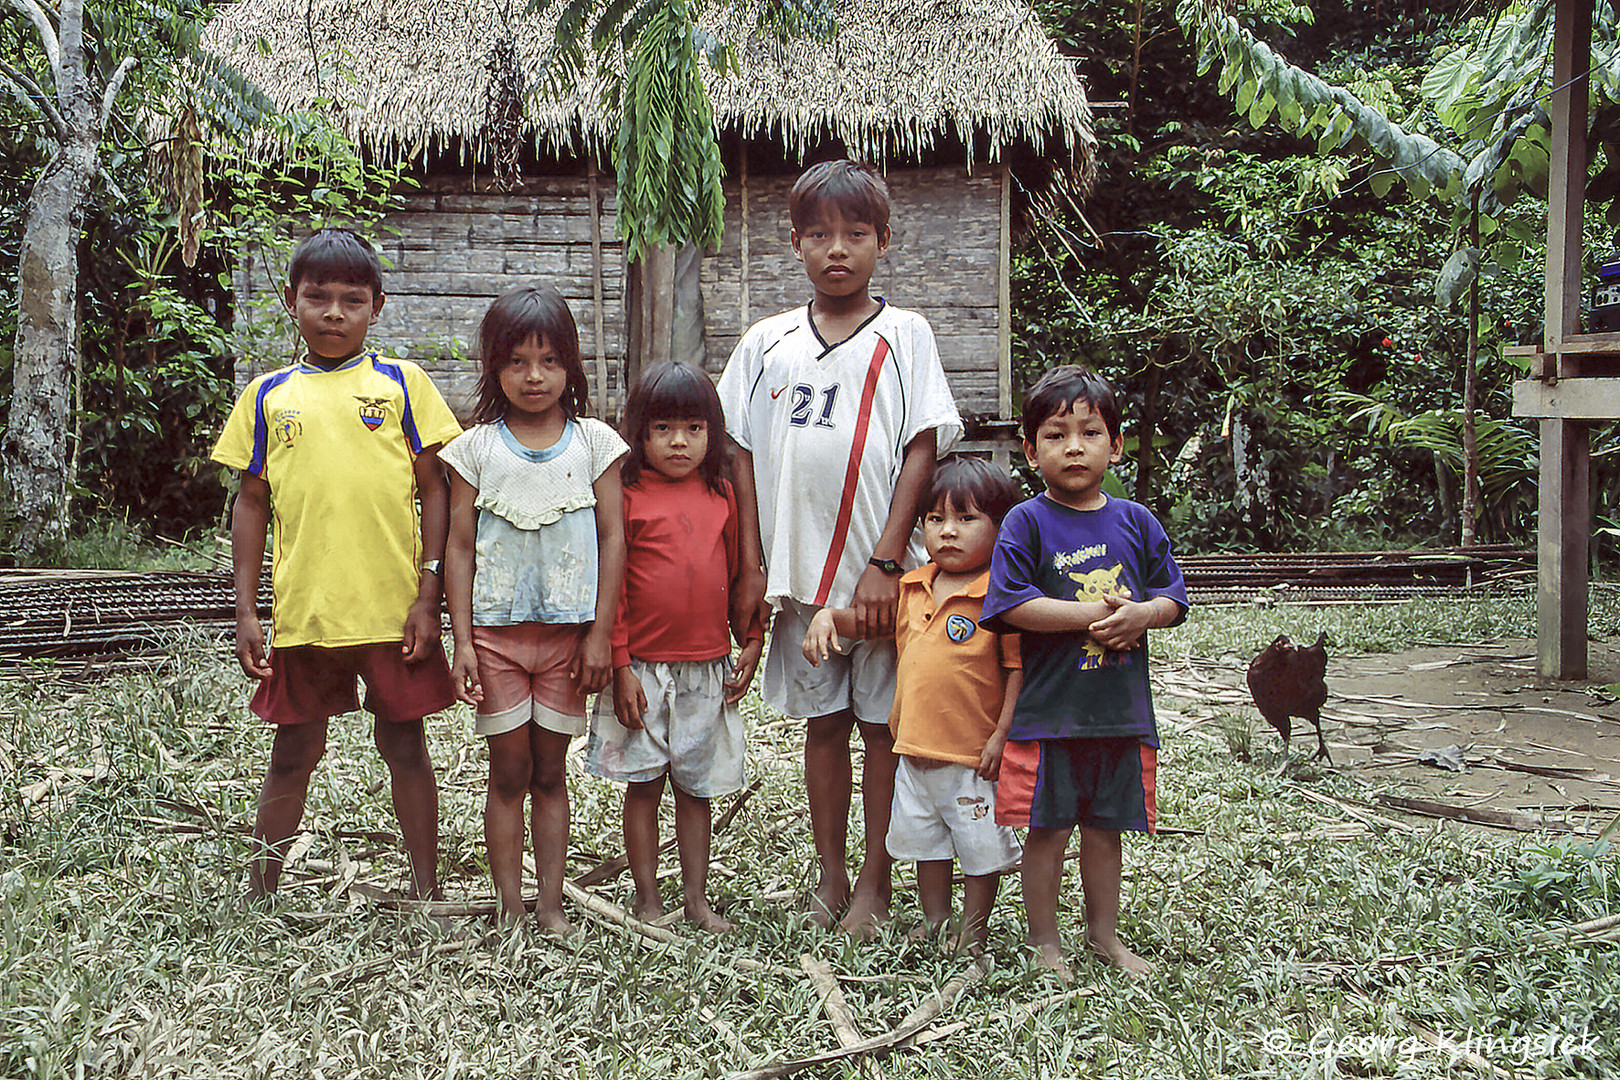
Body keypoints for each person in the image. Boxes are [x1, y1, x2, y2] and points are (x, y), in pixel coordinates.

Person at [717, 159, 963, 932]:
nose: (837, 250)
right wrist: (754, 564)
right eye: (818, 234)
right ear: (794, 244)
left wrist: (889, 561)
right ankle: (829, 875)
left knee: (884, 729)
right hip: (796, 580)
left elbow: (921, 446)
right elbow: (741, 456)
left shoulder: (906, 335)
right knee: (823, 727)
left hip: (881, 578)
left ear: (884, 241)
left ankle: (874, 882)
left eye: (856, 234)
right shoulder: (766, 343)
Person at [214, 227, 462, 901]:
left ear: (377, 307)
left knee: (405, 746)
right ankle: (262, 889)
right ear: (290, 300)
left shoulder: (402, 386)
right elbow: (252, 502)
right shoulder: (267, 397)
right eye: (317, 297)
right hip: (306, 614)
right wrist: (246, 610)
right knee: (292, 753)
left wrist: (428, 592)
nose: (333, 313)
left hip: (392, 611)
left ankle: (425, 887)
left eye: (351, 299)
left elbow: (436, 486)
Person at [980, 364, 1189, 980]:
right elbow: (1008, 603)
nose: (1074, 446)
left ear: (1115, 444)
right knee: (1045, 832)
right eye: (1055, 434)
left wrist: (1141, 615)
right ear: (1029, 449)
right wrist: (1093, 613)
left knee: (1105, 833)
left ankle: (1105, 938)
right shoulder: (1026, 522)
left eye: (1090, 432)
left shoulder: (1136, 521)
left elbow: (1173, 599)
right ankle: (1045, 941)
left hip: (1119, 713)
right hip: (1050, 714)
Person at [441, 285, 627, 934]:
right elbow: (459, 547)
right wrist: (460, 641)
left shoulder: (596, 444)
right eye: (517, 361)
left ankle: (550, 905)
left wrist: (601, 635)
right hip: (494, 640)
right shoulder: (475, 450)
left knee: (551, 772)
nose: (534, 376)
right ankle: (510, 905)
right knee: (508, 770)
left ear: (570, 366)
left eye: (549, 361)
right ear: (494, 367)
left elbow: (614, 539)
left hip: (568, 644)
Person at [802, 457, 1023, 954]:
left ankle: (973, 929)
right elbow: (869, 625)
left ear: (1000, 527)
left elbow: (1016, 670)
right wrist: (829, 619)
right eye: (937, 519)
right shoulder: (912, 585)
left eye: (967, 519)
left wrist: (1002, 734)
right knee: (928, 845)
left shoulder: (1001, 597)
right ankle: (936, 917)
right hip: (914, 751)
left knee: (979, 848)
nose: (948, 532)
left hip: (972, 757)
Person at [585, 362, 766, 933]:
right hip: (641, 668)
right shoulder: (626, 495)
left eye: (694, 427)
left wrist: (752, 641)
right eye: (664, 428)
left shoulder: (721, 494)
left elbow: (740, 579)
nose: (680, 442)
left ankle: (696, 900)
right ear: (639, 433)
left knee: (696, 789)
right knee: (643, 787)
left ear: (712, 433)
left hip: (706, 669)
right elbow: (609, 589)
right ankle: (647, 899)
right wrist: (619, 667)